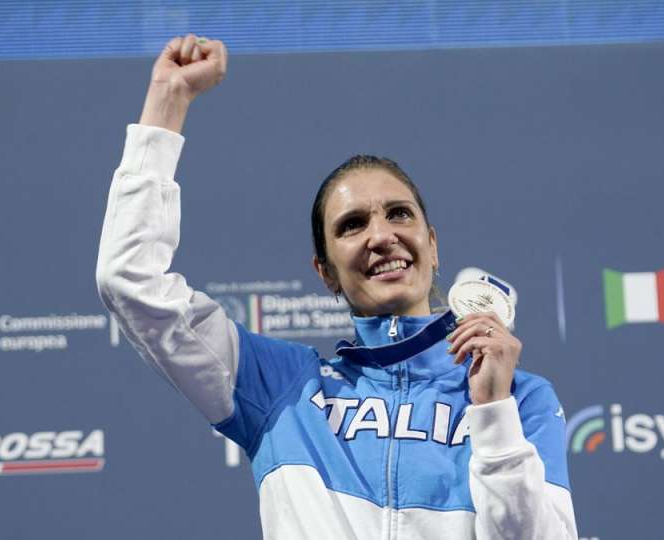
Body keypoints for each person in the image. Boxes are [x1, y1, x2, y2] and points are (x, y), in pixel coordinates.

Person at [96, 33, 577, 539]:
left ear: (432, 245)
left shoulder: (522, 398)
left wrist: (494, 413)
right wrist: (168, 101)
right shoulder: (279, 386)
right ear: (325, 272)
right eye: (352, 225)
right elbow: (130, 281)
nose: (381, 236)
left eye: (399, 214)